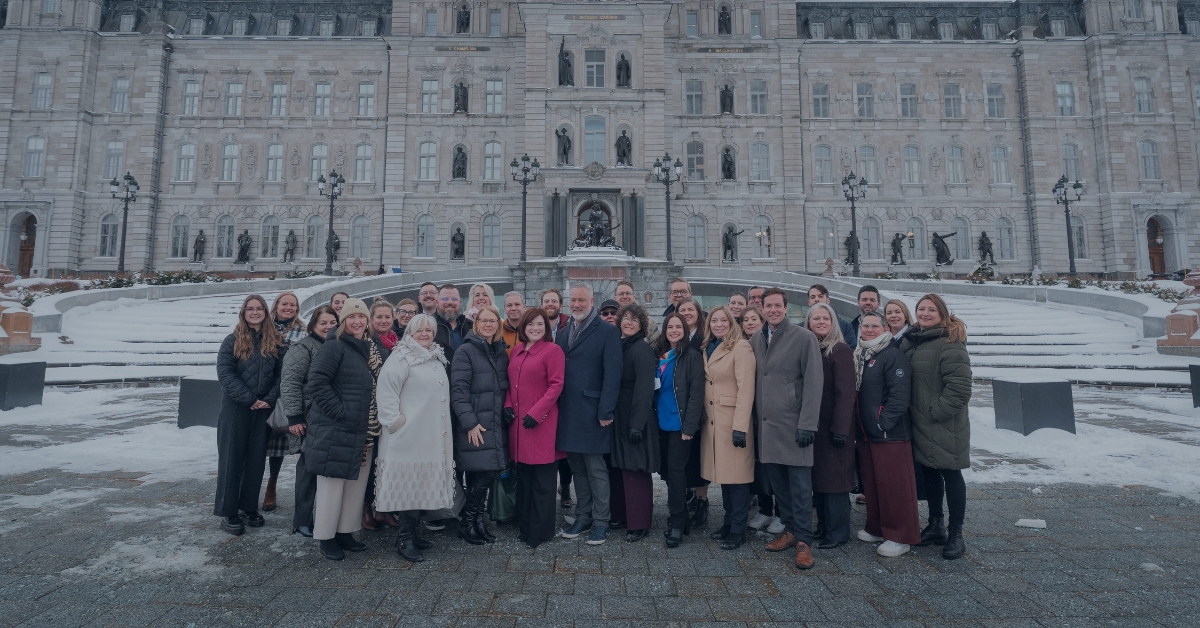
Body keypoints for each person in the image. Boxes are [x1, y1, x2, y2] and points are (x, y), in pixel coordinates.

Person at [304, 298, 388, 561]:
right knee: (332, 484)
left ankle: (345, 532)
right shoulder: (334, 347)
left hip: (365, 428)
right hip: (337, 428)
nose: (357, 322)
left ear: (367, 321)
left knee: (355, 483)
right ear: (343, 322)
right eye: (352, 317)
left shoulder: (371, 349)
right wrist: (341, 412)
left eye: (361, 317)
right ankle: (326, 536)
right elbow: (317, 383)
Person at [750, 288, 824, 570]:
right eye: (768, 306)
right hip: (768, 427)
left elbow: (814, 383)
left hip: (794, 425)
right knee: (779, 485)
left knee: (801, 487)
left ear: (786, 307)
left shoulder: (803, 338)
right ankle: (791, 530)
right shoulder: (757, 338)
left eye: (777, 305)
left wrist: (808, 424)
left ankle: (804, 540)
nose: (772, 310)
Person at [375, 314, 456, 562]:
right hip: (408, 436)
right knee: (407, 488)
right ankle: (404, 539)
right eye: (419, 330)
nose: (424, 334)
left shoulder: (434, 356)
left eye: (428, 331)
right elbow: (386, 393)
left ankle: (413, 533)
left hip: (430, 434)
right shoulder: (401, 357)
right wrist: (396, 423)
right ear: (409, 332)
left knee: (420, 485)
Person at [902, 294, 972, 560]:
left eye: (932, 309)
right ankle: (935, 525)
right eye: (921, 309)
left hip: (944, 424)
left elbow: (960, 388)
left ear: (942, 314)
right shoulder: (913, 341)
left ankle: (956, 533)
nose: (925, 313)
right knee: (930, 474)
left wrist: (934, 414)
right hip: (920, 422)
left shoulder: (950, 343)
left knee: (951, 474)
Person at [556, 283, 622, 546]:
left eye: (581, 300)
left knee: (595, 468)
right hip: (568, 412)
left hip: (593, 412)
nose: (576, 305)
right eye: (573, 300)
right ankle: (583, 516)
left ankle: (602, 521)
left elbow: (612, 374)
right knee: (577, 467)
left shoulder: (607, 331)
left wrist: (606, 409)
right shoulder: (563, 331)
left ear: (592, 301)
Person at [214, 295, 284, 536]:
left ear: (265, 312)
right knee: (232, 460)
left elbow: (281, 375)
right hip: (237, 408)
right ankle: (228, 511)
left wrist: (269, 398)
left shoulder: (275, 341)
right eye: (250, 309)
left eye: (259, 309)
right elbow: (225, 373)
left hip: (264, 408)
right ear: (243, 313)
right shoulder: (231, 340)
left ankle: (249, 507)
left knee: (256, 461)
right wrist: (249, 399)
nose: (254, 313)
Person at [854, 310, 920, 558]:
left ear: (884, 329)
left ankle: (901, 535)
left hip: (889, 434)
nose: (869, 329)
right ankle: (878, 527)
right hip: (867, 433)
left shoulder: (891, 355)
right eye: (865, 325)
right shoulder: (861, 354)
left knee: (895, 488)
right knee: (873, 485)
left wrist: (883, 423)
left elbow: (899, 395)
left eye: (874, 326)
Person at [506, 308, 566, 549]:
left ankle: (540, 531)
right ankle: (526, 526)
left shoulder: (553, 351)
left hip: (541, 424)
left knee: (543, 482)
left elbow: (556, 385)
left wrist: (537, 412)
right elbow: (510, 384)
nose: (535, 328)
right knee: (526, 481)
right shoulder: (518, 351)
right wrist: (507, 405)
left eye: (540, 324)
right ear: (523, 327)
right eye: (531, 324)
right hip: (519, 424)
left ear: (546, 327)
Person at [450, 305, 510, 545]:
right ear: (476, 324)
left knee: (485, 474)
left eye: (492, 320)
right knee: (483, 472)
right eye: (484, 320)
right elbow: (459, 391)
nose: (488, 324)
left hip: (495, 423)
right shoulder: (465, 351)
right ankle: (468, 522)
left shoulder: (499, 351)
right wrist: (470, 423)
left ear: (498, 324)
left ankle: (476, 522)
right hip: (476, 425)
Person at [700, 306, 756, 550]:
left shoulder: (741, 347)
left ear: (732, 323)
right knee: (724, 476)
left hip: (732, 421)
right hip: (713, 423)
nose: (719, 324)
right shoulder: (707, 347)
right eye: (715, 320)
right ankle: (728, 522)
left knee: (738, 479)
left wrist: (740, 426)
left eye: (724, 320)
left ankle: (738, 528)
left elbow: (746, 389)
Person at [281, 305, 339, 538]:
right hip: (309, 417)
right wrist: (294, 417)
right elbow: (290, 382)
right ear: (313, 325)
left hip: (333, 417)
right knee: (307, 469)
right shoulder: (303, 347)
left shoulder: (339, 346)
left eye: (332, 322)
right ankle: (302, 519)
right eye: (322, 323)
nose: (327, 327)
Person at [805, 303, 857, 550]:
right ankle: (824, 527)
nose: (821, 322)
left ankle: (838, 532)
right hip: (816, 428)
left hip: (835, 429)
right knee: (820, 482)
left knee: (835, 483)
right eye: (816, 318)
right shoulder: (811, 348)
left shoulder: (840, 350)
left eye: (826, 318)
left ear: (833, 322)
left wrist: (840, 429)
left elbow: (845, 393)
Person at [655, 312, 705, 548]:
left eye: (678, 327)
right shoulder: (662, 356)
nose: (674, 330)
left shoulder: (692, 356)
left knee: (676, 474)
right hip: (661, 423)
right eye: (670, 327)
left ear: (685, 330)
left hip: (680, 426)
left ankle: (677, 522)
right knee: (668, 473)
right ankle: (680, 516)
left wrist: (690, 427)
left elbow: (696, 395)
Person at [609, 303, 658, 543]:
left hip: (635, 418)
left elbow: (644, 390)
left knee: (635, 470)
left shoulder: (641, 350)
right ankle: (621, 515)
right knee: (619, 467)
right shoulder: (620, 346)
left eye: (634, 319)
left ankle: (639, 523)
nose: (628, 322)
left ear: (642, 325)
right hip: (619, 416)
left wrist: (637, 424)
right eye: (625, 318)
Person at [262, 292, 305, 513]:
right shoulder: (263, 326)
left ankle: (272, 485)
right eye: (284, 304)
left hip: (284, 394)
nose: (288, 308)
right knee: (258, 444)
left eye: (292, 305)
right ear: (276, 305)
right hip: (261, 392)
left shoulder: (302, 331)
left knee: (278, 444)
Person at [672, 297, 710, 526]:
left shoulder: (705, 338)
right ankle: (689, 498)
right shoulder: (674, 335)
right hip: (678, 406)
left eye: (690, 309)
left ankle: (702, 500)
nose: (686, 313)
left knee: (699, 455)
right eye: (682, 310)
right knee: (683, 458)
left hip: (701, 401)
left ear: (698, 313)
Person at [540, 286, 572, 505]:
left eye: (554, 301)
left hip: (565, 391)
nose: (550, 304)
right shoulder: (534, 324)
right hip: (541, 392)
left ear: (560, 305)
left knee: (565, 445)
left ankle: (566, 488)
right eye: (546, 301)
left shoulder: (569, 325)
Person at [433, 283, 471, 364]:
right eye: (445, 299)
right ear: (437, 302)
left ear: (460, 302)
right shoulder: (429, 326)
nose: (450, 302)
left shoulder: (471, 326)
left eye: (454, 299)